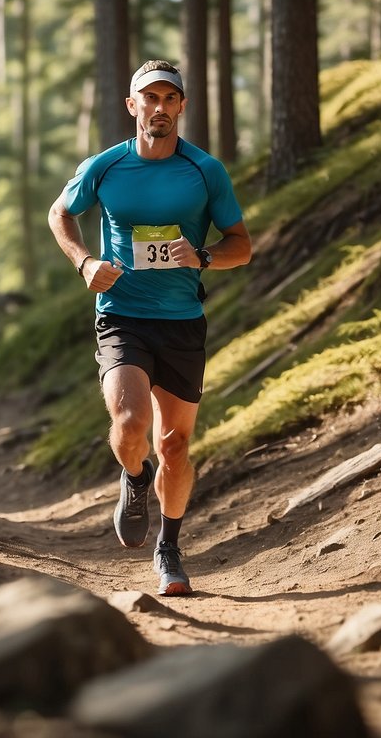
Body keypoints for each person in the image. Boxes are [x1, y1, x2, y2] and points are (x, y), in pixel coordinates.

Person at [47, 59, 251, 596]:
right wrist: (85, 263)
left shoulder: (205, 171)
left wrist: (203, 256)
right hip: (122, 315)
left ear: (182, 106)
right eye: (149, 99)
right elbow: (60, 214)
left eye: (169, 98)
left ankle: (170, 547)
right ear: (132, 106)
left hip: (182, 321)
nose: (159, 108)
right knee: (131, 423)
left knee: (176, 444)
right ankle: (135, 479)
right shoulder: (105, 167)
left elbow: (242, 246)